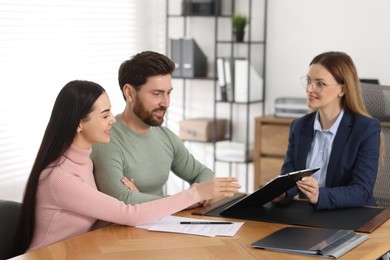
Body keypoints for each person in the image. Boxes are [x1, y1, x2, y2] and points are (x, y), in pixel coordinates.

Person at [11, 80, 240, 256]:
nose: (113, 120)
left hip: (81, 251)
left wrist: (135, 196)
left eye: (110, 112)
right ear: (80, 123)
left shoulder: (84, 162)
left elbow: (99, 217)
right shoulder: (58, 177)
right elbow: (128, 214)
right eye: (105, 115)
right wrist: (196, 193)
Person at [91, 51, 215, 206]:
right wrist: (188, 199)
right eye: (157, 94)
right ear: (129, 93)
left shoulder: (165, 136)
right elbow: (122, 199)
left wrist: (196, 192)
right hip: (122, 229)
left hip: (161, 224)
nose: (166, 103)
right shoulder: (107, 138)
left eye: (168, 93)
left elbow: (204, 173)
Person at [273, 51, 382, 210]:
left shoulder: (365, 129)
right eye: (309, 81)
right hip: (310, 218)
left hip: (351, 217)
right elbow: (290, 179)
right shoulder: (299, 126)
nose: (310, 88)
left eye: (320, 83)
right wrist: (280, 192)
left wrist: (319, 195)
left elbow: (362, 191)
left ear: (342, 90)